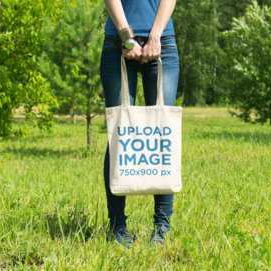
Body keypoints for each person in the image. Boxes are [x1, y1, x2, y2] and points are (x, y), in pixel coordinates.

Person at [100, 0, 179, 247]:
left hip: (162, 42)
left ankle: (162, 227)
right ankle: (117, 227)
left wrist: (155, 36)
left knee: (162, 134)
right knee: (118, 135)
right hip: (117, 43)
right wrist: (126, 36)